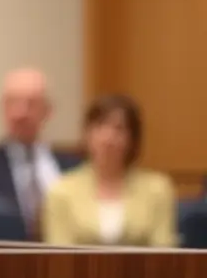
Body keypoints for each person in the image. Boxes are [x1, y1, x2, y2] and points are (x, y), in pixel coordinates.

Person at [0, 67, 80, 235]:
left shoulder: (73, 167)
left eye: (31, 104)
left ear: (48, 110)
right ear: (2, 108)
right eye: (13, 103)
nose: (20, 113)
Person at [43, 94, 175, 246]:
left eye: (119, 129)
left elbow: (164, 252)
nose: (108, 137)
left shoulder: (157, 189)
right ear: (87, 134)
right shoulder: (61, 191)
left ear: (132, 139)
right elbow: (60, 255)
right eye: (100, 126)